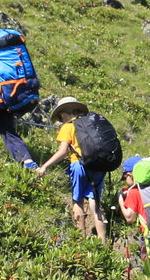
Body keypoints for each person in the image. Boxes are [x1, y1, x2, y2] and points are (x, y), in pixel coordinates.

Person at [34, 96, 107, 241]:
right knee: (95, 202)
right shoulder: (91, 124)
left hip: (79, 165)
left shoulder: (67, 127)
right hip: (99, 165)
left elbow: (62, 152)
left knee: (78, 200)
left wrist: (45, 166)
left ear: (63, 113)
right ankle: (103, 242)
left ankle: (80, 240)